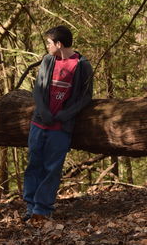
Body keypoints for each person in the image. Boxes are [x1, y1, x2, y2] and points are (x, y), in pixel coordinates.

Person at [22, 25, 93, 221]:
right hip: (39, 124)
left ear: (59, 44)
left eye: (49, 43)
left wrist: (65, 115)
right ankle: (30, 207)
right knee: (33, 165)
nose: (47, 46)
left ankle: (42, 210)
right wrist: (43, 111)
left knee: (52, 168)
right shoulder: (47, 60)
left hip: (61, 128)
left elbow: (86, 97)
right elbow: (37, 89)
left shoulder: (82, 65)